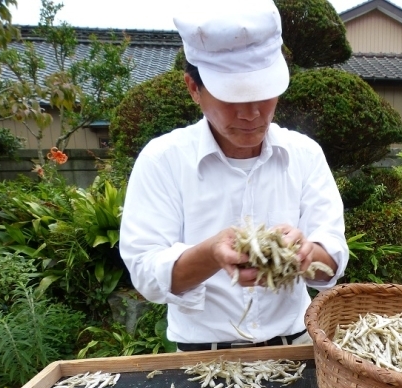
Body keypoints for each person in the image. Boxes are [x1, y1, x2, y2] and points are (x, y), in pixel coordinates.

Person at [119, 0, 349, 352]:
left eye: (263, 93)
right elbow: (147, 274)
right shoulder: (163, 160)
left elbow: (331, 261)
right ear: (193, 88)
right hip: (201, 362)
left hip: (295, 350)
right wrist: (212, 253)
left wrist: (305, 254)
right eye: (232, 97)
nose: (252, 113)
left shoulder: (303, 154)